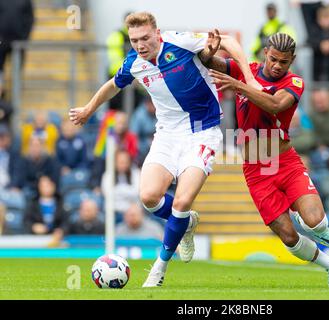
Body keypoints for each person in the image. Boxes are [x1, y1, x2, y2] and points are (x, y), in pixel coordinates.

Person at [68, 12, 258, 287]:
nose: (140, 45)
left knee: (181, 202)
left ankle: (159, 268)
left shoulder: (179, 42)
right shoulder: (134, 62)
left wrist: (249, 77)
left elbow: (227, 40)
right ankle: (185, 224)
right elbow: (113, 85)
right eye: (134, 40)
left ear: (157, 34)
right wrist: (88, 109)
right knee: (148, 197)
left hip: (201, 132)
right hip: (167, 134)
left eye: (145, 38)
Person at [203, 32, 329, 287]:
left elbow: (275, 105)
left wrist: (239, 85)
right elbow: (209, 63)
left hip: (284, 161)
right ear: (265, 53)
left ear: (292, 61)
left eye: (284, 62)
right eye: (274, 59)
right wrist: (209, 50)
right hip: (256, 170)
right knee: (288, 237)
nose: (278, 66)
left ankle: (302, 214)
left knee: (317, 223)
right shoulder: (248, 70)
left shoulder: (295, 82)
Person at [0, 0, 34, 97]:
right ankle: (2, 96)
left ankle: (15, 95)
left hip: (18, 42)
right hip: (2, 41)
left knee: (17, 69)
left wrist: (24, 38)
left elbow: (30, 19)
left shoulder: (25, 1)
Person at [23, 176, 67, 245]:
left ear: (53, 186)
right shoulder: (33, 203)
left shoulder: (61, 202)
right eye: (43, 186)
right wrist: (33, 227)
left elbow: (66, 221)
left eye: (48, 185)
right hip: (36, 241)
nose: (46, 188)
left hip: (57, 241)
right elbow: (26, 220)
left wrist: (61, 230)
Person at [101, 149, 140, 223]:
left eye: (125, 162)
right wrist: (128, 191)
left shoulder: (136, 173)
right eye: (120, 162)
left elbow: (136, 192)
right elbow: (108, 193)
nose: (123, 164)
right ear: (115, 162)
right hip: (113, 213)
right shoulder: (108, 174)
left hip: (132, 212)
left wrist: (118, 189)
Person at [129, 96, 157, 166]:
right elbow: (133, 137)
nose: (154, 107)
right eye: (152, 104)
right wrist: (147, 144)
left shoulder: (160, 112)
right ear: (147, 104)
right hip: (142, 150)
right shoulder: (139, 115)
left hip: (158, 145)